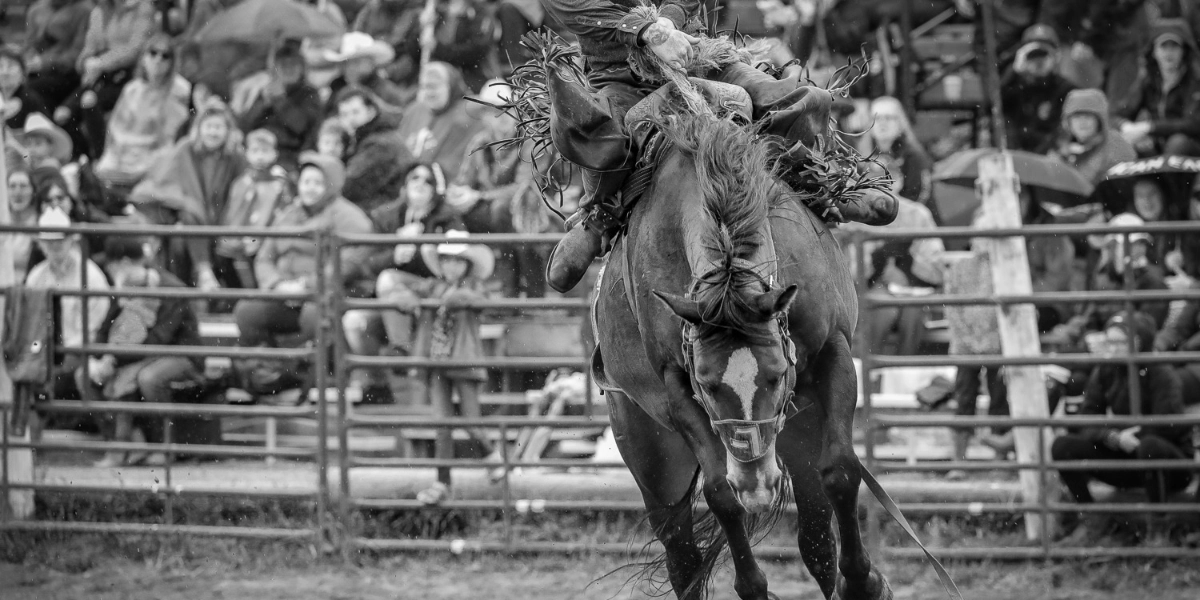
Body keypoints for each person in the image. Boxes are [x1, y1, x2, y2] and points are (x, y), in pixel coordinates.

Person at [539, 0, 896, 293]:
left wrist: (669, 27)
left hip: (698, 55)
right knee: (594, 131)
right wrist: (650, 33)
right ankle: (601, 214)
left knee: (794, 97)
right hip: (617, 77)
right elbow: (575, 9)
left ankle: (821, 179)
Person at [1052, 311, 1192, 540]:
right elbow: (1085, 418)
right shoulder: (1107, 370)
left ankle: (1158, 527)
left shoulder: (1161, 372)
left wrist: (1136, 435)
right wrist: (1112, 437)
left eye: (1119, 342)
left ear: (1138, 342)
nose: (1111, 348)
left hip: (1168, 466)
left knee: (1150, 445)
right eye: (1109, 341)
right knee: (1063, 446)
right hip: (1125, 455)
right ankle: (1091, 518)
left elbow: (1169, 424)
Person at [234, 153, 374, 354]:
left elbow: (347, 263)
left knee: (314, 314)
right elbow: (265, 257)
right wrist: (276, 284)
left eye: (318, 182)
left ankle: (325, 372)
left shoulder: (350, 218)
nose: (310, 188)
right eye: (306, 181)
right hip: (285, 292)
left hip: (326, 293)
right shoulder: (289, 214)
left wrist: (305, 286)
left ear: (331, 184)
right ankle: (271, 369)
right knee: (247, 312)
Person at [82, 236, 202, 467]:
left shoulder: (171, 289)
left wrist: (113, 359)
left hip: (180, 354)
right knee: (85, 375)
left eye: (111, 265)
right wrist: (97, 358)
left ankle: (163, 447)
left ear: (124, 263)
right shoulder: (125, 288)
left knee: (148, 378)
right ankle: (129, 443)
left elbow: (159, 340)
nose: (109, 271)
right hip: (137, 355)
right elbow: (105, 328)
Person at [347, 162, 465, 374]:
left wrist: (420, 249)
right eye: (414, 177)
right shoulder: (386, 216)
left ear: (437, 189)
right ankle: (378, 385)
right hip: (392, 302)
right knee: (354, 322)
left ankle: (400, 349)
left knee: (388, 280)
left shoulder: (448, 218)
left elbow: (456, 266)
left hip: (432, 295)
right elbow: (367, 263)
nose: (420, 184)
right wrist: (395, 252)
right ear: (405, 183)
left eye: (428, 180)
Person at [410, 231, 502, 490]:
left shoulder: (473, 287)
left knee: (471, 421)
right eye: (447, 260)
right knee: (442, 424)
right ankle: (442, 482)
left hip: (463, 360)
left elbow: (484, 302)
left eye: (458, 261)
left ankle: (492, 458)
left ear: (467, 265)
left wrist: (454, 298)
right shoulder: (432, 286)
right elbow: (404, 289)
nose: (452, 266)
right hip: (436, 363)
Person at [129, 99, 247, 289]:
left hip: (223, 219)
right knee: (184, 226)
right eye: (209, 126)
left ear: (228, 131)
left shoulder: (236, 156)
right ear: (199, 129)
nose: (213, 132)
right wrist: (184, 203)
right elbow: (166, 182)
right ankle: (203, 274)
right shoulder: (185, 149)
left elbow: (243, 190)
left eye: (219, 127)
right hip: (188, 218)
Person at [24, 207, 111, 403]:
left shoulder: (91, 275)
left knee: (49, 372)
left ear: (71, 240)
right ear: (41, 244)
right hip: (46, 349)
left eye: (60, 240)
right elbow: (30, 323)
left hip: (80, 349)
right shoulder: (36, 277)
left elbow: (97, 328)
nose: (55, 246)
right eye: (49, 241)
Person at [58, 0, 156, 159]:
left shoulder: (143, 8)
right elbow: (90, 47)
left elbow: (135, 49)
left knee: (89, 101)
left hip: (128, 76)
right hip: (98, 75)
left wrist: (101, 63)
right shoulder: (99, 10)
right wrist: (85, 63)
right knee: (62, 115)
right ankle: (83, 160)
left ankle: (100, 158)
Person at [92, 34, 190, 189]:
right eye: (153, 53)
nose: (158, 59)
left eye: (165, 56)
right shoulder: (132, 89)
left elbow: (169, 138)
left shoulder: (177, 90)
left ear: (172, 62)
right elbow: (115, 127)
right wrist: (118, 152)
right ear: (144, 57)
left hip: (151, 156)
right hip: (122, 153)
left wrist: (141, 154)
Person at [214, 129, 290, 290]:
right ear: (247, 154)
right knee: (223, 255)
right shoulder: (241, 182)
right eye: (255, 151)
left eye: (265, 151)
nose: (260, 156)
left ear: (274, 154)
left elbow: (283, 213)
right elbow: (232, 212)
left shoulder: (279, 184)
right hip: (237, 237)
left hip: (264, 238)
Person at [1114, 18, 1200, 156]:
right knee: (1121, 143)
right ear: (1153, 52)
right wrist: (1128, 128)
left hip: (1191, 154)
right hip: (1157, 150)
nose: (1169, 52)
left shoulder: (1195, 81)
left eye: (1174, 46)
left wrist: (1150, 128)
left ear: (1184, 51)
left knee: (1178, 142)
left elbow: (1193, 124)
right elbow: (1117, 114)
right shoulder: (1148, 80)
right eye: (1163, 46)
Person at [236, 41, 323, 171]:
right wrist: (263, 103)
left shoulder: (309, 94)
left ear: (301, 68)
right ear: (276, 69)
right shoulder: (267, 90)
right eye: (283, 65)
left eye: (293, 64)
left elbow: (301, 126)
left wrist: (280, 100)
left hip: (288, 155)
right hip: (258, 150)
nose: (288, 69)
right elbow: (246, 126)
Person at [336, 86, 416, 212]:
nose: (350, 119)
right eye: (344, 114)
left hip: (383, 212)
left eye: (355, 112)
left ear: (371, 112)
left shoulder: (380, 144)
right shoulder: (362, 139)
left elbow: (350, 187)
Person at [395, 61, 478, 181]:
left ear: (450, 86)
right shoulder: (414, 110)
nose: (429, 92)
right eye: (424, 86)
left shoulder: (468, 112)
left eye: (434, 86)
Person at [999, 24, 1075, 154]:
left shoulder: (1065, 89)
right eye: (1032, 55)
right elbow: (994, 105)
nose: (1038, 62)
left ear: (1056, 57)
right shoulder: (1015, 88)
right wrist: (1014, 71)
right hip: (1014, 155)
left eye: (1044, 55)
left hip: (1049, 159)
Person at [859, 96, 935, 218]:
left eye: (888, 118)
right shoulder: (860, 155)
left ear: (900, 123)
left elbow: (919, 197)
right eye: (877, 118)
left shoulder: (914, 156)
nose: (882, 123)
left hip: (908, 221)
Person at [397, 0, 497, 92]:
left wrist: (437, 48)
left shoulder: (480, 13)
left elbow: (476, 51)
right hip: (431, 79)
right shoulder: (436, 11)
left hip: (469, 81)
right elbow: (414, 52)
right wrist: (420, 28)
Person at [1048, 88, 1136, 185]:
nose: (1082, 122)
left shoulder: (1116, 144)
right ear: (1068, 122)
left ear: (1099, 121)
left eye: (1088, 116)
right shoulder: (1059, 150)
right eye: (1077, 117)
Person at [22, 0, 95, 110]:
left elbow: (78, 53)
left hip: (68, 73)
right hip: (36, 68)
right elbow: (29, 43)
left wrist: (45, 63)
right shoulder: (36, 9)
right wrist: (26, 60)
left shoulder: (85, 10)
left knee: (30, 90)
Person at [324, 32, 410, 113]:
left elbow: (399, 117)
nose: (350, 68)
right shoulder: (337, 90)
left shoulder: (387, 92)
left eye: (356, 62)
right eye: (346, 63)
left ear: (371, 63)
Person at [1, 47, 50, 131]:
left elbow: (45, 134)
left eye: (11, 66)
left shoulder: (31, 100)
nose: (4, 72)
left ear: (23, 73)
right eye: (0, 66)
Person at [7, 167, 43, 282]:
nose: (17, 192)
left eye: (23, 186)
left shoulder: (41, 223)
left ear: (33, 191)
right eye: (12, 186)